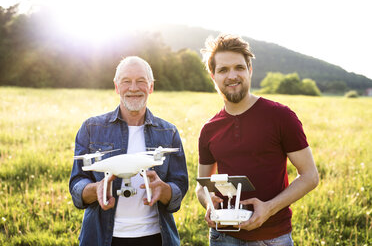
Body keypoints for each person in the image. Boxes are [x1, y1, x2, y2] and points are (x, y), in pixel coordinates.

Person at [195, 34, 319, 245]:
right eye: (223, 70)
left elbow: (310, 176)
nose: (232, 75)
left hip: (271, 237)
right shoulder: (208, 129)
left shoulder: (281, 116)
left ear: (250, 71)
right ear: (213, 77)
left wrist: (268, 208)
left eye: (239, 67)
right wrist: (208, 202)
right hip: (222, 236)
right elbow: (202, 187)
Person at [69, 56, 188, 246]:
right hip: (101, 238)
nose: (133, 88)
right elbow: (76, 183)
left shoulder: (168, 132)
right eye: (126, 81)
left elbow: (180, 185)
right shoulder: (91, 128)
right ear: (117, 87)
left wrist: (164, 190)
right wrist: (96, 189)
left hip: (156, 237)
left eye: (141, 81)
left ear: (151, 87)